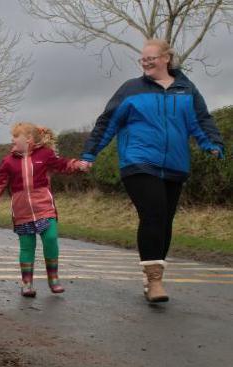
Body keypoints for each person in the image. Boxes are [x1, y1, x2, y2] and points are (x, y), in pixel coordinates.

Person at [79, 39, 224, 303]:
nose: (146, 62)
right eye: (142, 59)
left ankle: (151, 274)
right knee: (154, 214)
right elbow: (107, 121)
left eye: (151, 57)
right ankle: (155, 281)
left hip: (175, 164)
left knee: (165, 220)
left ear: (166, 58)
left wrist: (211, 143)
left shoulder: (186, 88)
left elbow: (201, 120)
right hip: (139, 162)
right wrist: (90, 154)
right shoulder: (131, 89)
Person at [0, 123, 89, 297]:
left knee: (50, 238)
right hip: (22, 212)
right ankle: (27, 284)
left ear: (28, 139)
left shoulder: (45, 154)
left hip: (44, 208)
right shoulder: (8, 161)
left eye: (15, 136)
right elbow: (0, 183)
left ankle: (54, 279)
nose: (12, 140)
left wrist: (77, 165)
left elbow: (62, 164)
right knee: (27, 247)